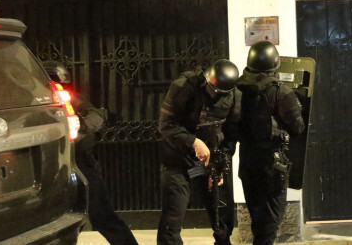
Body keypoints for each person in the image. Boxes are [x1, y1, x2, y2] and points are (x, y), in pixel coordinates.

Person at [43, 61, 139, 245]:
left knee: (101, 214)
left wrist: (80, 123)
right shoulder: (39, 103)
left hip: (80, 164)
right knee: (54, 222)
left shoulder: (69, 100)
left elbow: (96, 116)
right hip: (53, 166)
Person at [157, 59, 241, 245]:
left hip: (213, 158)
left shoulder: (235, 95)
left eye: (221, 93)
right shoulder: (184, 86)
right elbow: (166, 126)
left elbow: (231, 134)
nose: (215, 95)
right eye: (213, 90)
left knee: (222, 215)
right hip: (179, 157)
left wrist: (219, 168)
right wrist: (193, 141)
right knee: (172, 217)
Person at [236, 40, 305, 245]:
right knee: (270, 224)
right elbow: (298, 127)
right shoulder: (280, 91)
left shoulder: (238, 88)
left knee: (258, 220)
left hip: (247, 163)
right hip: (271, 166)